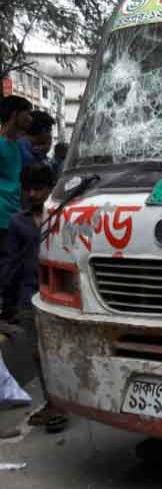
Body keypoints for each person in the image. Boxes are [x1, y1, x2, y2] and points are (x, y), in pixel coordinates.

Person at [0, 164, 67, 431]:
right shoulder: (18, 222)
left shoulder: (65, 216)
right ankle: (55, 404)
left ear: (51, 188)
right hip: (31, 296)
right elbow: (11, 263)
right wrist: (6, 299)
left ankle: (65, 401)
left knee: (60, 351)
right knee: (39, 354)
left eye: (38, 188)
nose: (33, 194)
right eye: (28, 189)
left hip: (62, 296)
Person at [0, 97, 33, 261]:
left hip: (16, 217)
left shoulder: (19, 145)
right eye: (27, 114)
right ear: (14, 115)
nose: (30, 119)